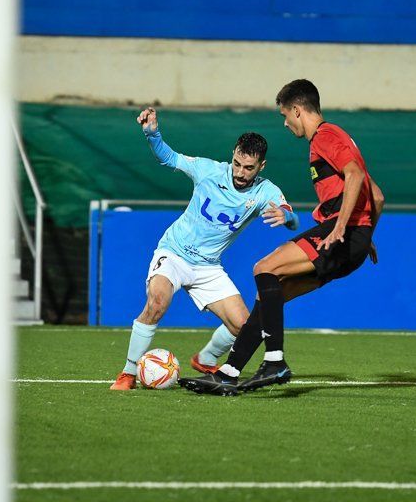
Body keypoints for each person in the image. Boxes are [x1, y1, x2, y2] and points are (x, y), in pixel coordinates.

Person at [180, 79, 384, 396]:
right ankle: (228, 374)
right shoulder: (332, 140)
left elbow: (356, 176)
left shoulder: (325, 137)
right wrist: (364, 232)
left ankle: (275, 360)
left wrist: (345, 226)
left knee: (264, 268)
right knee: (271, 297)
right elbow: (378, 196)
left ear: (297, 110)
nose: (286, 124)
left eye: (285, 115)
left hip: (339, 233)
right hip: (352, 240)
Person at [109, 107, 299, 390]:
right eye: (237, 163)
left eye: (249, 168)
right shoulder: (208, 170)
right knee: (157, 302)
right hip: (174, 253)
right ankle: (128, 373)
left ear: (262, 166)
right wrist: (152, 134)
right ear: (232, 155)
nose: (240, 172)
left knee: (247, 329)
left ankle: (207, 356)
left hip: (208, 267)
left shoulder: (264, 191)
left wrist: (288, 216)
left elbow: (290, 215)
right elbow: (169, 157)